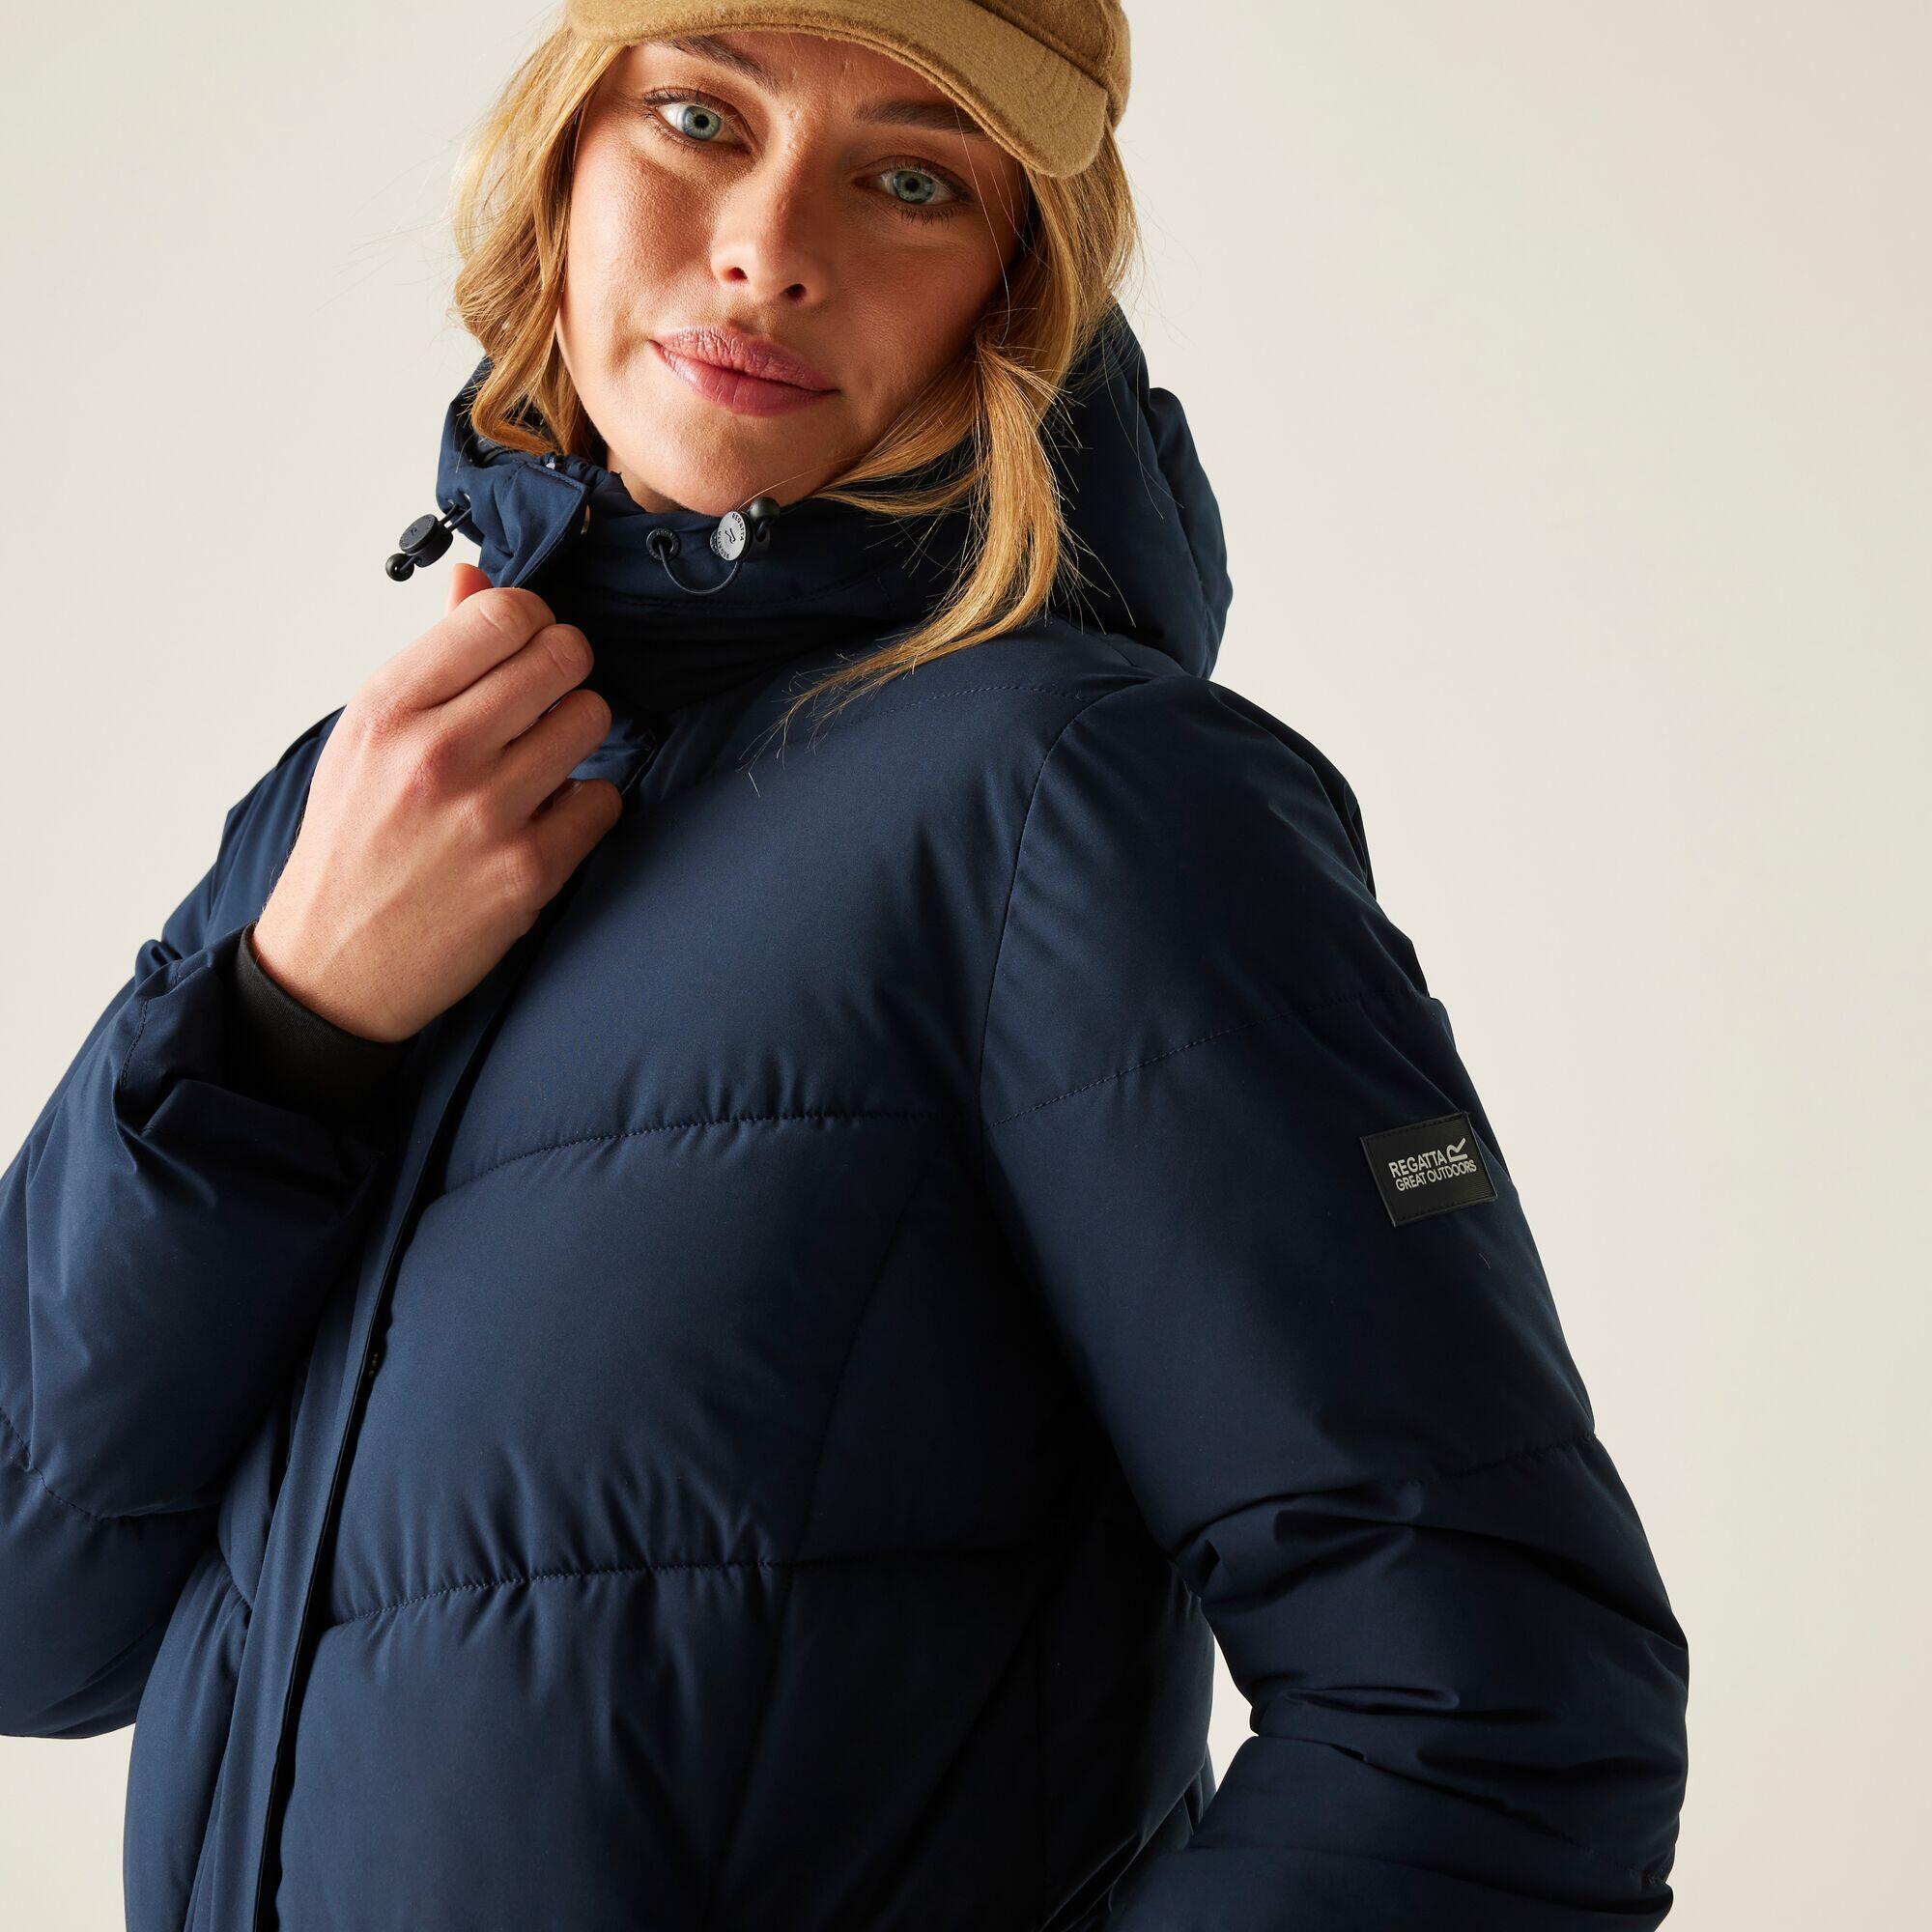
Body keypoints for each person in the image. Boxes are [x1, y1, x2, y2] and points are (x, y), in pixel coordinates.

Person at [0, 4, 1690, 1928]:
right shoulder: (362, 802)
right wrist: (285, 1026)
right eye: (699, 115)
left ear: (1012, 289)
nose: (769, 247)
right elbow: (33, 1613)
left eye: (909, 178)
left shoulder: (1077, 803)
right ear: (562, 156)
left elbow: (1498, 1725)